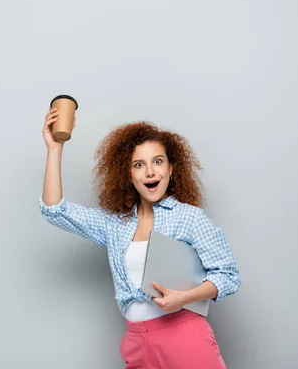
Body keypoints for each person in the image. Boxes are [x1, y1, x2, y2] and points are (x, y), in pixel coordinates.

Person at [39, 106, 241, 368]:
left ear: (171, 169)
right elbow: (55, 211)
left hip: (184, 335)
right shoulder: (115, 224)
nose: (150, 172)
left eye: (158, 161)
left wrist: (184, 297)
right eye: (139, 165)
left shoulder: (189, 218)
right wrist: (55, 149)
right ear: (128, 175)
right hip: (136, 341)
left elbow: (227, 275)